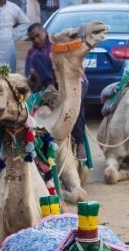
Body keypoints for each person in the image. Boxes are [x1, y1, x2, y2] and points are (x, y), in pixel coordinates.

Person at [25, 23, 88, 161]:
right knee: (37, 57)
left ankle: (80, 143)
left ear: (45, 32)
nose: (36, 40)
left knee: (74, 103)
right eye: (32, 38)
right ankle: (50, 87)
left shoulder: (59, 43)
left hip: (74, 81)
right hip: (52, 84)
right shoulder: (32, 53)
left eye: (38, 36)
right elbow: (30, 77)